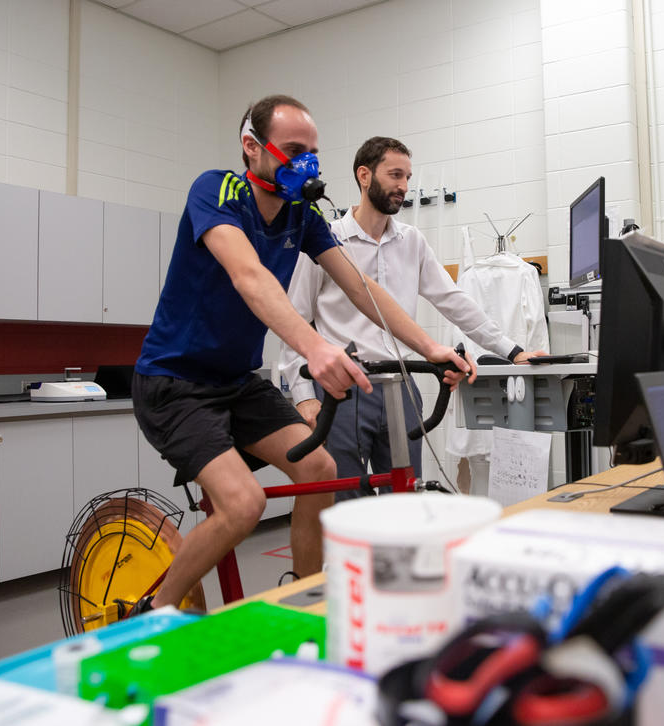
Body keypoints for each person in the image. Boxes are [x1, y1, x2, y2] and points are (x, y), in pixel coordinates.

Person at [132, 97, 471, 612]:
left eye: (312, 152)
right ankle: (154, 611)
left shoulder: (302, 215)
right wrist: (315, 347)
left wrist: (430, 346)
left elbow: (361, 287)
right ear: (252, 148)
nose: (307, 164)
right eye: (293, 151)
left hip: (237, 382)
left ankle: (308, 604)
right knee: (242, 505)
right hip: (176, 385)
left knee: (320, 469)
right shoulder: (217, 190)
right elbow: (249, 276)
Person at [278, 136, 545, 500]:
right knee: (344, 501)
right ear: (364, 175)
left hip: (402, 383)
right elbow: (295, 319)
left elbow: (453, 300)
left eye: (407, 177)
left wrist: (512, 350)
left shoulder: (412, 241)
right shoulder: (326, 239)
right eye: (395, 175)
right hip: (342, 388)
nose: (404, 186)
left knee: (404, 498)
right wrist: (304, 394)